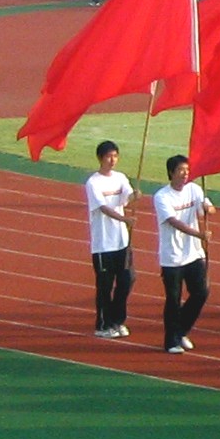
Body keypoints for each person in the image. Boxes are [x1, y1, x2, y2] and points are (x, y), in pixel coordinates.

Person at [154, 153, 210, 354]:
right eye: (181, 170)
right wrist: (198, 233)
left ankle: (182, 330)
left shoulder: (194, 189)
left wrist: (208, 208)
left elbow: (205, 207)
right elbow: (173, 222)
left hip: (193, 253)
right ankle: (171, 340)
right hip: (173, 257)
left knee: (201, 292)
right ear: (171, 172)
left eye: (187, 170)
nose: (185, 174)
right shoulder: (162, 196)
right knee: (174, 298)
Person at [84, 140, 135, 339]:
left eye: (115, 156)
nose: (112, 160)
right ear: (100, 158)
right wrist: (124, 218)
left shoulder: (120, 178)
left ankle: (117, 319)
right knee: (105, 286)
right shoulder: (93, 183)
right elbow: (103, 208)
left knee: (127, 279)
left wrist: (134, 196)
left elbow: (126, 196)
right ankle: (103, 324)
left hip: (121, 241)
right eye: (108, 157)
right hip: (103, 243)